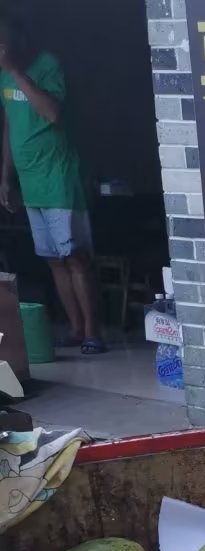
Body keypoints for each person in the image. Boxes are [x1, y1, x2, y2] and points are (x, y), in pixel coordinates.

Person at [0, 19, 103, 353]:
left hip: (58, 177)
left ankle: (92, 332)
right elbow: (10, 125)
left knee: (74, 256)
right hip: (30, 182)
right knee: (52, 259)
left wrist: (15, 72)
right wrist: (6, 176)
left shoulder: (47, 65)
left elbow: (52, 113)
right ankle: (75, 329)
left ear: (19, 39)